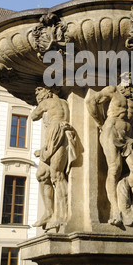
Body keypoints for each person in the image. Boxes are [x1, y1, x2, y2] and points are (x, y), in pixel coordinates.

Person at [86, 83, 133, 226]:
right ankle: (115, 210)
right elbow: (91, 101)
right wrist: (100, 123)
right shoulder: (112, 91)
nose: (130, 86)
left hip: (128, 136)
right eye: (128, 82)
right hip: (111, 131)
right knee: (115, 169)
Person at [32, 87, 76, 231]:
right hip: (62, 133)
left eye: (40, 95)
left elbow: (33, 116)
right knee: (42, 175)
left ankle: (63, 215)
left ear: (48, 92)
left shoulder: (47, 103)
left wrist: (40, 108)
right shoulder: (64, 102)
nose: (39, 98)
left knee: (56, 175)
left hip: (55, 132)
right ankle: (49, 212)